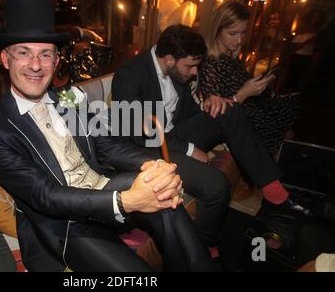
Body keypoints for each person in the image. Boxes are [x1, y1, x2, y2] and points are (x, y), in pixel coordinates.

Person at [0, 0, 216, 272]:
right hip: (63, 225)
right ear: (6, 59)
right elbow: (46, 196)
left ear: (56, 60)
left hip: (101, 186)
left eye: (45, 54)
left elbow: (106, 147)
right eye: (24, 53)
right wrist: (126, 201)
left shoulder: (69, 98)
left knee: (165, 197)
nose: (36, 65)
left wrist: (150, 164)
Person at [111, 24, 312, 261]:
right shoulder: (128, 76)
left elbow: (184, 115)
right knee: (217, 186)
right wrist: (188, 149)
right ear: (168, 59)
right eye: (191, 66)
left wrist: (206, 107)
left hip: (173, 136)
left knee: (228, 110)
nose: (196, 73)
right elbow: (138, 134)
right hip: (147, 149)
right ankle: (203, 248)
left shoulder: (177, 70)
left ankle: (274, 192)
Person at [199, 1, 300, 156]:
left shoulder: (231, 57)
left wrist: (261, 87)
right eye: (233, 33)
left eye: (243, 33)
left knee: (292, 104)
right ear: (217, 30)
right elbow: (217, 114)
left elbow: (244, 87)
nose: (239, 40)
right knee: (281, 131)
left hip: (250, 111)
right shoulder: (210, 62)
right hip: (237, 119)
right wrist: (245, 92)